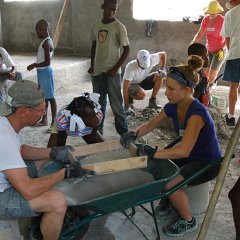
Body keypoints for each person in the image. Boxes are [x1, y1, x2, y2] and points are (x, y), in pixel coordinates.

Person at [121, 56, 222, 237]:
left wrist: (153, 152)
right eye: (166, 87)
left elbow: (184, 150)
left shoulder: (197, 113)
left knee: (168, 182)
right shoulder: (172, 106)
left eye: (171, 89)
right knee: (158, 168)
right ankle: (169, 201)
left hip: (207, 162)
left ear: (188, 90)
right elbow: (151, 124)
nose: (166, 93)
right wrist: (133, 134)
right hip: (191, 154)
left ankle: (188, 220)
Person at [0, 80, 84, 239]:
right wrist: (64, 173)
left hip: (5, 180)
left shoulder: (7, 121)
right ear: (24, 111)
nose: (44, 113)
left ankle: (37, 216)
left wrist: (53, 152)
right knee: (57, 201)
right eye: (41, 109)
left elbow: (22, 150)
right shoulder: (3, 137)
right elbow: (28, 190)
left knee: (45, 162)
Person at [88, 0, 130, 135]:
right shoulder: (96, 26)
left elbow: (127, 50)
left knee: (116, 104)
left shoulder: (119, 27)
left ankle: (124, 133)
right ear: (103, 7)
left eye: (114, 10)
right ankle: (98, 132)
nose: (111, 12)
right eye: (109, 8)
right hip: (98, 71)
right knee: (99, 103)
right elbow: (94, 46)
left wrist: (115, 68)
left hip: (112, 73)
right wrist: (92, 65)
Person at [27, 19, 56, 130]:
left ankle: (54, 124)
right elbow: (51, 50)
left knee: (51, 99)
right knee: (45, 97)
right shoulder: (47, 41)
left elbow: (48, 62)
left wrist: (34, 64)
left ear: (43, 29)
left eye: (37, 31)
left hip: (45, 72)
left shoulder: (46, 42)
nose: (37, 34)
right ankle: (44, 120)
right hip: (42, 72)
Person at [191, 0, 227, 88]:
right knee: (207, 72)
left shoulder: (223, 21)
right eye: (210, 13)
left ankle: (207, 92)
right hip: (209, 49)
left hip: (220, 51)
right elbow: (200, 34)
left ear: (218, 12)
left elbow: (227, 37)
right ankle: (209, 90)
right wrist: (193, 43)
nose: (212, 15)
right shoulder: (206, 20)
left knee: (213, 73)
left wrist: (223, 49)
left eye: (214, 13)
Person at [122, 49, 167, 114]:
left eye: (146, 66)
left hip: (143, 80)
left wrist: (163, 68)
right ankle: (129, 100)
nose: (144, 68)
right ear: (137, 60)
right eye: (142, 67)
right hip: (132, 84)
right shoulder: (131, 67)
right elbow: (125, 87)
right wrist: (126, 105)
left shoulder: (151, 58)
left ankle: (152, 101)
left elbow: (163, 54)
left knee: (160, 76)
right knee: (142, 95)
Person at [220, 0, 240, 126]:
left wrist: (231, 50)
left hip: (235, 54)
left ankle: (231, 116)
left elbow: (227, 37)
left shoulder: (230, 14)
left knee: (234, 86)